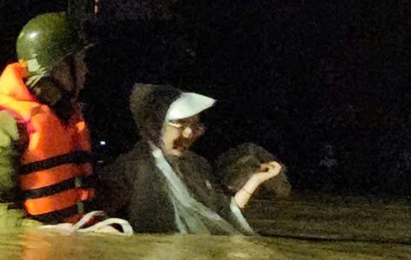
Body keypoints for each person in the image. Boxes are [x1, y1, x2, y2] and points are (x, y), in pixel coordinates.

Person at [0, 13, 111, 229]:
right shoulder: (2, 126)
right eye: (80, 61)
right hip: (29, 256)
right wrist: (44, 235)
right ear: (58, 68)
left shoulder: (67, 119)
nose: (86, 70)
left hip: (69, 247)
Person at [97, 84, 283, 234]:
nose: (189, 134)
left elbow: (224, 215)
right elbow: (97, 215)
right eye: (180, 124)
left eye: (195, 126)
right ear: (155, 123)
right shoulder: (130, 168)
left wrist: (255, 180)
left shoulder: (196, 166)